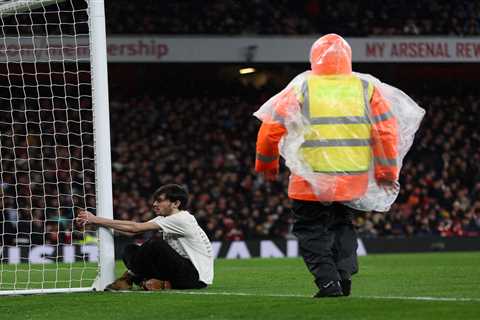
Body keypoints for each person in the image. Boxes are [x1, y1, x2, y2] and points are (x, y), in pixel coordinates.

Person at [254, 34, 399, 298]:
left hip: (310, 180)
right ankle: (342, 277)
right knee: (342, 225)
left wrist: (266, 164)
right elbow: (386, 132)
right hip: (351, 179)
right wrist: (387, 172)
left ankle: (328, 282)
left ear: (313, 58)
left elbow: (270, 128)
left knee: (310, 230)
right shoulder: (366, 87)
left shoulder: (302, 86)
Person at [76, 184, 214, 291]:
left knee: (155, 245)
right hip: (180, 272)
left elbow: (135, 228)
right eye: (155, 201)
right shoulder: (166, 218)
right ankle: (160, 283)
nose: (154, 204)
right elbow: (131, 232)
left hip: (195, 277)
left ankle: (128, 278)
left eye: (159, 201)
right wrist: (96, 224)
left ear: (176, 204)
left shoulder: (181, 219)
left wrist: (96, 219)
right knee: (130, 249)